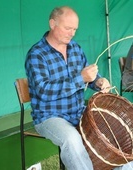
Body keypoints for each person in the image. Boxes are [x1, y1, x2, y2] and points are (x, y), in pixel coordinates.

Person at [25, 6, 133, 170]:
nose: (72, 33)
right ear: (52, 23)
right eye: (68, 28)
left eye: (75, 29)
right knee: (72, 138)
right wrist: (80, 78)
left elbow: (88, 77)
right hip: (49, 116)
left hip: (77, 111)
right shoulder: (37, 54)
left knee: (114, 131)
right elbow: (43, 91)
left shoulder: (75, 48)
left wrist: (97, 82)